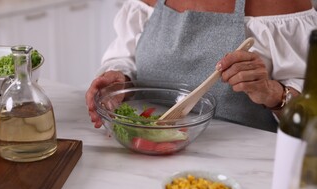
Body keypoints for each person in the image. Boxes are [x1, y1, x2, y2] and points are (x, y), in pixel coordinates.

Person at [86, 0, 317, 132]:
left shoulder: (281, 5)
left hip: (242, 173)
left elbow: (311, 116)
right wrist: (119, 81)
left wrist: (272, 93)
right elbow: (124, 57)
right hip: (144, 155)